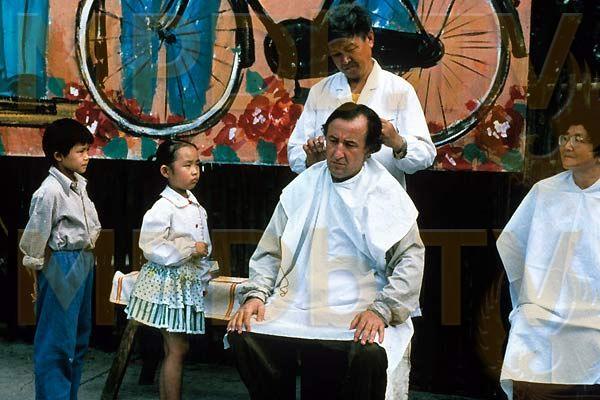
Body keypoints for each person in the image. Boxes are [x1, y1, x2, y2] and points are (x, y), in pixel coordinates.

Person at [227, 103, 425, 400]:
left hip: (361, 306)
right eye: (333, 141)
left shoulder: (386, 193)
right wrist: (256, 294)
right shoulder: (304, 186)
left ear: (370, 149)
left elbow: (410, 262)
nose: (337, 153)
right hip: (298, 302)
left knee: (368, 351)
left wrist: (382, 310)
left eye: (350, 145)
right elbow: (270, 251)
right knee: (243, 333)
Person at [497, 102, 600, 399]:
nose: (567, 146)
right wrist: (531, 295)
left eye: (579, 139)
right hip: (545, 307)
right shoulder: (545, 191)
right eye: (565, 138)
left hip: (594, 309)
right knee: (526, 325)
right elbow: (513, 243)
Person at [287, 2, 435, 186]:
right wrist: (310, 159)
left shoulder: (399, 90)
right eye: (336, 55)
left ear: (370, 38)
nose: (345, 60)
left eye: (350, 50)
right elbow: (294, 151)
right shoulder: (320, 92)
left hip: (380, 198)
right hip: (331, 198)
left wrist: (398, 143)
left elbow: (425, 155)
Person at [19, 118, 101, 400]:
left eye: (87, 150)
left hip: (83, 260)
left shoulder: (79, 184)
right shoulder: (50, 191)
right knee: (57, 342)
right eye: (80, 151)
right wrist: (37, 272)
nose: (87, 157)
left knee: (77, 339)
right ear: (58, 155)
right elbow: (35, 236)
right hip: (61, 263)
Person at [125, 139, 212, 400]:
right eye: (187, 165)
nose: (195, 171)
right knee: (177, 348)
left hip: (184, 284)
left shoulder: (195, 205)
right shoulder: (163, 207)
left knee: (175, 349)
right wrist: (189, 248)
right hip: (168, 286)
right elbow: (150, 245)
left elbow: (204, 246)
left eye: (197, 165)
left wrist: (203, 275)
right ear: (166, 170)